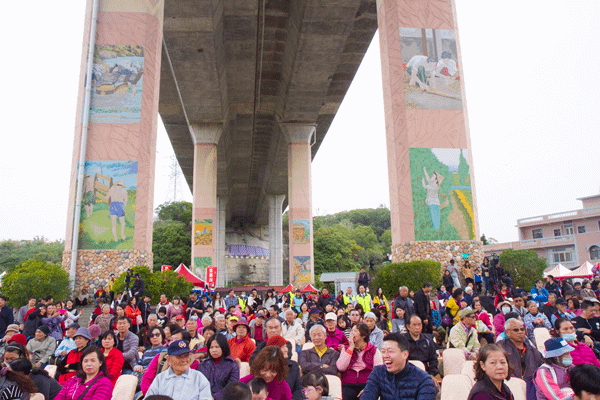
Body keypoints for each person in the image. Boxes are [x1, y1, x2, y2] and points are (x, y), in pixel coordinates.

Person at [359, 332, 435, 400]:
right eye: (383, 351)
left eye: (390, 351)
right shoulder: (378, 373)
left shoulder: (423, 379)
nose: (385, 356)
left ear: (405, 354)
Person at [146, 339, 211, 400]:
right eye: (179, 356)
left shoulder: (199, 378)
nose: (184, 360)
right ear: (169, 360)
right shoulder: (160, 379)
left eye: (186, 356)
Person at [497, 318, 543, 400]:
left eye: (522, 329)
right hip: (508, 386)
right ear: (507, 332)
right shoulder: (500, 347)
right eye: (516, 330)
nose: (520, 332)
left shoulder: (532, 350)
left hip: (531, 388)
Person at [336, 323, 383, 400]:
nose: (352, 333)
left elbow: (378, 371)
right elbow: (341, 367)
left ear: (363, 335)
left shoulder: (373, 350)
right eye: (352, 330)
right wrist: (351, 347)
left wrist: (369, 387)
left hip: (367, 384)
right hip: (348, 384)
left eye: (355, 331)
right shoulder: (346, 349)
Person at [197, 334, 239, 400]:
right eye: (211, 347)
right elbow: (198, 385)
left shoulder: (232, 366)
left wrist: (215, 397)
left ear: (223, 347)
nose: (214, 350)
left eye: (217, 347)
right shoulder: (203, 364)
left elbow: (231, 387)